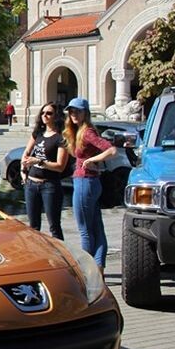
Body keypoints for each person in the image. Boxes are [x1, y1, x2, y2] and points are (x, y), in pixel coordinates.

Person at [64, 97, 117, 272]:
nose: (73, 114)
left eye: (77, 111)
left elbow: (111, 149)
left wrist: (92, 160)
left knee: (86, 231)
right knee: (96, 228)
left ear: (85, 113)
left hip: (85, 182)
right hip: (89, 182)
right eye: (71, 111)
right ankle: (99, 267)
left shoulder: (87, 132)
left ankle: (87, 272)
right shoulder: (79, 131)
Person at [20, 102, 68, 240]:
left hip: (50, 185)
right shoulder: (38, 133)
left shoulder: (61, 137)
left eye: (49, 113)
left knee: (54, 226)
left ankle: (61, 257)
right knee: (33, 227)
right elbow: (26, 153)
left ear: (56, 116)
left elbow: (60, 166)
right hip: (31, 185)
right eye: (43, 113)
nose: (44, 116)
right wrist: (23, 171)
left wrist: (39, 162)